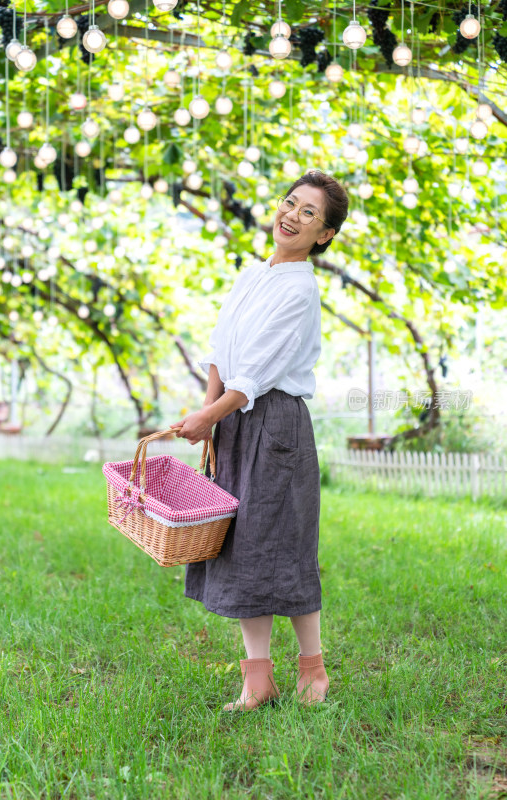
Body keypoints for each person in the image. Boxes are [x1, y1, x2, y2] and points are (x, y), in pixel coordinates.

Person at [170, 169, 349, 711]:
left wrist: (213, 414)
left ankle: (313, 671)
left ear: (323, 235)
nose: (291, 215)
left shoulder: (300, 289)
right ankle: (257, 680)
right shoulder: (253, 273)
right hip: (233, 417)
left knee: (286, 544)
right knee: (239, 543)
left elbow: (260, 371)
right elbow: (221, 348)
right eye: (290, 203)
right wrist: (210, 412)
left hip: (276, 425)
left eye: (308, 213)